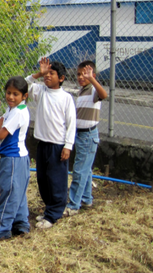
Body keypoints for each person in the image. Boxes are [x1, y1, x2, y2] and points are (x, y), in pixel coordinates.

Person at [26, 57, 76, 229]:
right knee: (43, 179)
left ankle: (54, 214)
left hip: (58, 145)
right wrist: (39, 73)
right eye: (46, 74)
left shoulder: (66, 98)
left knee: (56, 180)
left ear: (61, 78)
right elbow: (24, 85)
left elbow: (71, 124)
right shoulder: (41, 92)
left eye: (51, 74)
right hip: (43, 144)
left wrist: (68, 146)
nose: (47, 77)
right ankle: (49, 209)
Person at [0, 76, 31, 242]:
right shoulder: (13, 109)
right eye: (8, 93)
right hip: (19, 158)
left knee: (9, 193)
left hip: (12, 159)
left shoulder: (18, 112)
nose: (10, 97)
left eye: (15, 94)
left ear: (24, 96)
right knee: (18, 193)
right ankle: (20, 224)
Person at [64, 61, 107, 216]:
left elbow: (104, 95)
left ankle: (73, 205)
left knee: (79, 171)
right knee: (86, 170)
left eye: (85, 74)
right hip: (80, 134)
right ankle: (86, 199)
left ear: (93, 75)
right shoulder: (81, 92)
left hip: (88, 135)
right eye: (79, 74)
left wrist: (93, 80)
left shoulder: (93, 91)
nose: (81, 77)